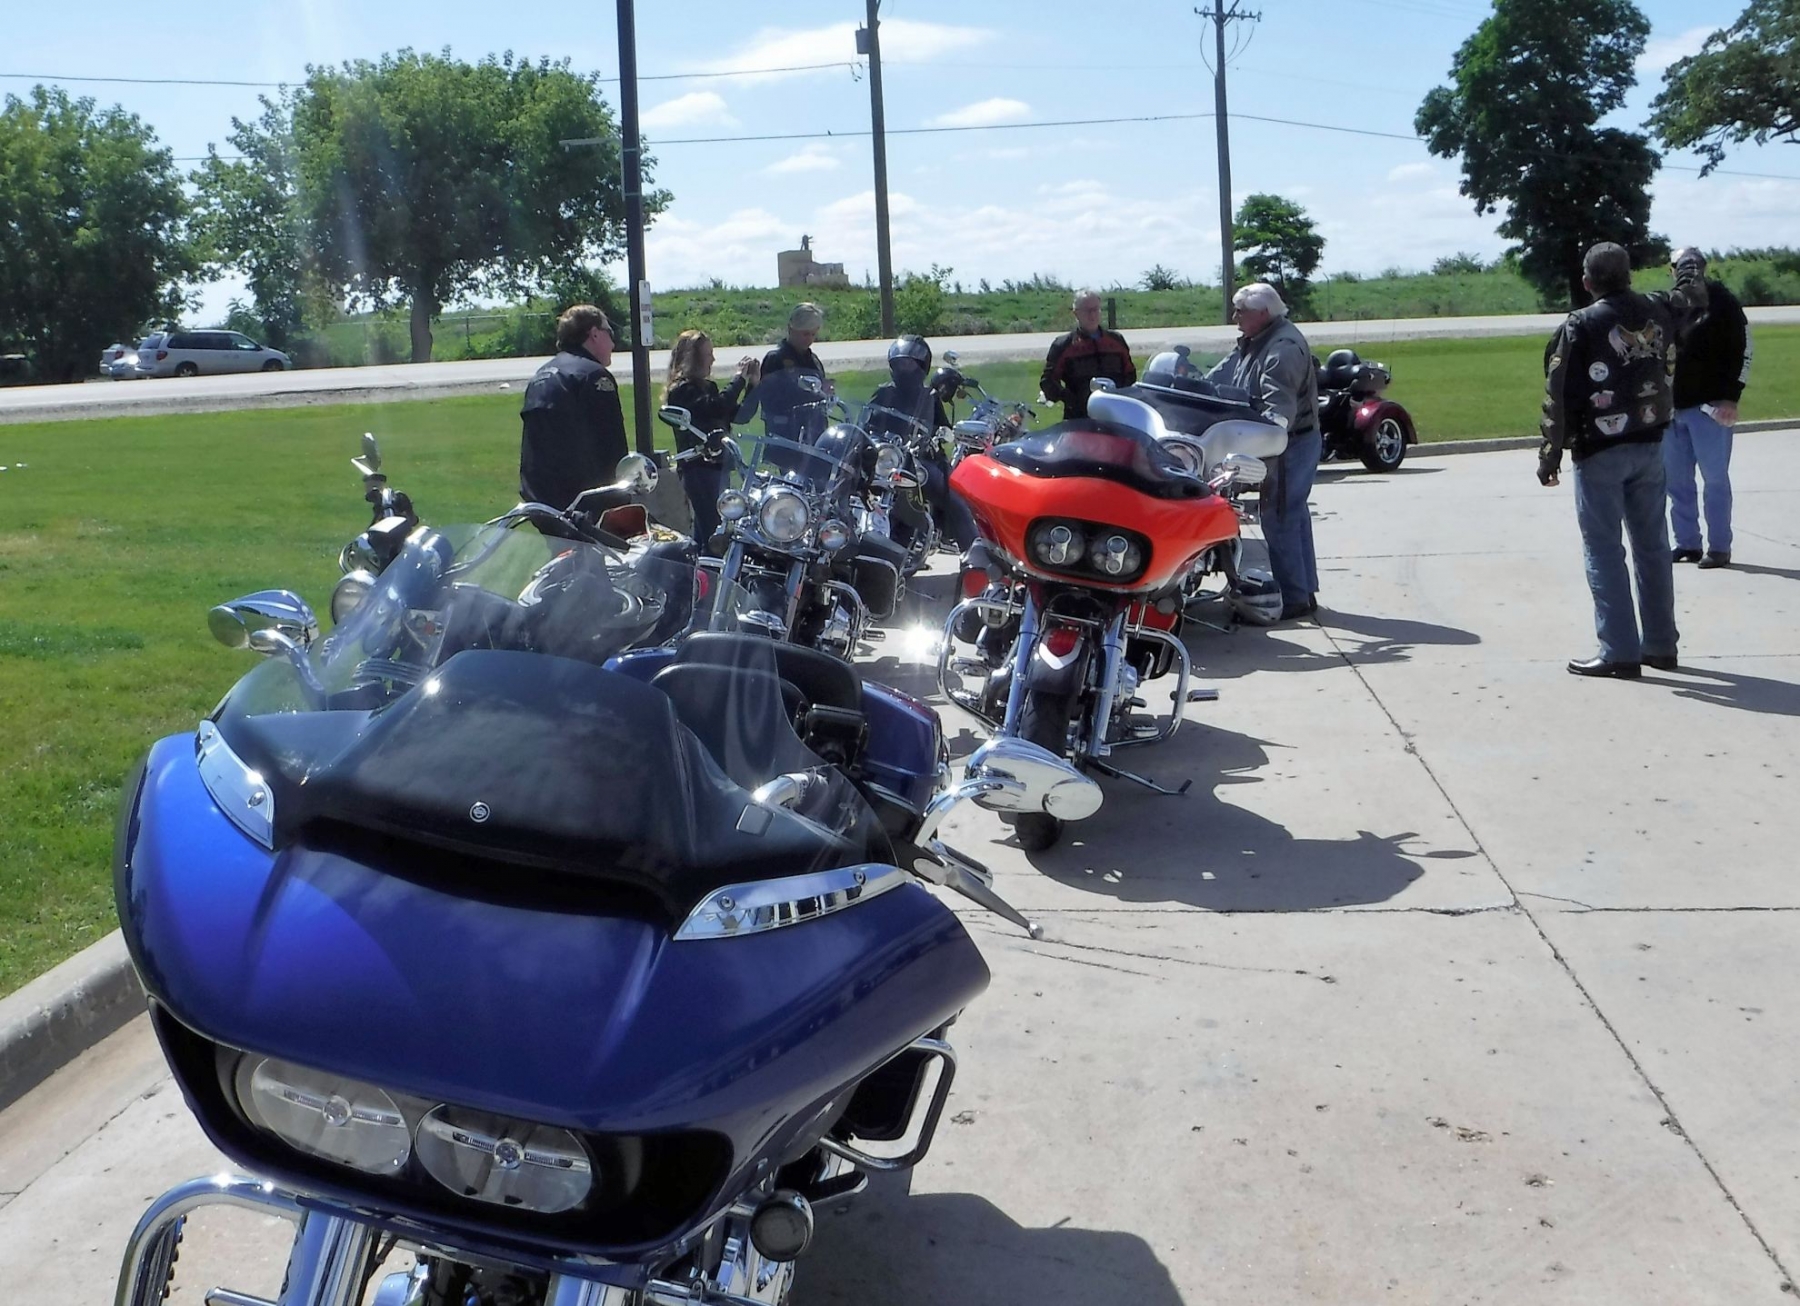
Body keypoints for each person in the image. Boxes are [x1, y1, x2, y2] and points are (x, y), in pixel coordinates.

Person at [1539, 243, 1708, 678]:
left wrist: (1550, 455)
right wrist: (1689, 264)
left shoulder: (1579, 325)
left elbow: (1558, 395)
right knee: (1653, 546)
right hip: (1651, 442)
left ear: (1587, 281)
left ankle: (1619, 651)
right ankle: (1661, 645)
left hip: (1599, 450)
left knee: (1604, 550)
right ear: (1629, 275)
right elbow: (1693, 296)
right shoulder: (1658, 307)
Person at [1205, 283, 1321, 622]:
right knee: (1292, 515)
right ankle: (1303, 592)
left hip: (1288, 443)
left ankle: (1294, 598)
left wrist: (1263, 440)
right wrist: (1188, 381)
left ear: (1263, 313)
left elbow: (1279, 410)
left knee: (1280, 517)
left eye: (1241, 311)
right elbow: (1226, 372)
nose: (1234, 316)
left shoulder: (1282, 349)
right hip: (1288, 441)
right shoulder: (1257, 340)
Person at [1664, 248, 1752, 570]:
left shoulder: (1723, 301)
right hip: (1670, 409)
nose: (1686, 271)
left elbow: (1744, 348)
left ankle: (1719, 547)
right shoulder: (1668, 302)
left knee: (1714, 479)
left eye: (1693, 265)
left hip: (1711, 408)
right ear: (1671, 269)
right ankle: (1687, 543)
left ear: (1703, 267)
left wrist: (1731, 397)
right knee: (1677, 482)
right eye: (1679, 265)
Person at [867, 335, 977, 551]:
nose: (903, 369)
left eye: (909, 364)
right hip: (889, 460)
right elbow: (867, 424)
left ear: (921, 365)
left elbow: (944, 427)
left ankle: (973, 555)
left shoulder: (929, 396)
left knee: (956, 501)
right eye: (900, 364)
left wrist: (942, 436)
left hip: (920, 461)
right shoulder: (884, 393)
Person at [519, 304, 628, 514]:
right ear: (594, 334)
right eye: (609, 332)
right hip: (583, 502)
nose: (613, 343)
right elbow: (611, 445)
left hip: (539, 500)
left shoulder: (541, 375)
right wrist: (620, 498)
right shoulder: (594, 376)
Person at [664, 329, 758, 546]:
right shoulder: (682, 391)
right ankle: (707, 564)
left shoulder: (708, 387)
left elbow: (740, 415)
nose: (713, 360)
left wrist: (753, 384)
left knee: (709, 529)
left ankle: (698, 562)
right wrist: (738, 379)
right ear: (694, 358)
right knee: (714, 531)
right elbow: (715, 407)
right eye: (708, 354)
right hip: (698, 468)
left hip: (719, 467)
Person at [1040, 289, 1137, 421]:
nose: (1092, 315)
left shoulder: (1116, 341)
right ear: (1076, 313)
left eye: (1095, 309)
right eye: (1087, 310)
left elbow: (1130, 374)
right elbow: (1048, 381)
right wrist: (1071, 399)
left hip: (1116, 415)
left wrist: (1119, 394)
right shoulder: (1063, 345)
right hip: (1079, 419)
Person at [757, 302, 830, 440]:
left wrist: (827, 393)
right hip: (785, 436)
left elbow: (822, 395)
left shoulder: (814, 361)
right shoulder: (775, 359)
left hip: (815, 434)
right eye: (805, 334)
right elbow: (769, 401)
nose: (809, 339)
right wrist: (808, 393)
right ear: (791, 329)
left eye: (813, 334)